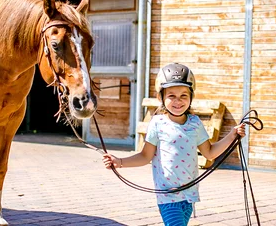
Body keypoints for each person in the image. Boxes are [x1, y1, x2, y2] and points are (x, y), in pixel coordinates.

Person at [102, 62, 246, 226]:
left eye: (184, 95)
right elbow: (145, 156)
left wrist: (232, 134)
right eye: (171, 96)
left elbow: (210, 153)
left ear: (191, 97)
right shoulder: (157, 123)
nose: (178, 101)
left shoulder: (195, 123)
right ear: (160, 97)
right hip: (168, 196)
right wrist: (119, 162)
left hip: (189, 195)